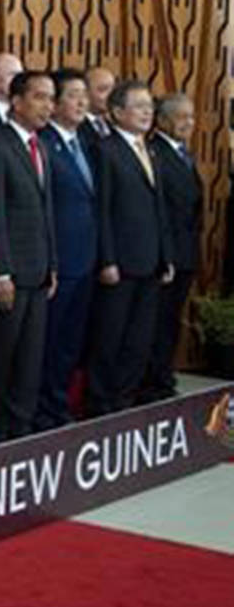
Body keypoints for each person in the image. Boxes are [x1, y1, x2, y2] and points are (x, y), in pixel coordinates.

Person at [0, 70, 58, 445]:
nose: (48, 106)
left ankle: (20, 433)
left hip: (39, 271)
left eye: (51, 98)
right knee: (1, 360)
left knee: (30, 361)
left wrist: (52, 264)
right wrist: (2, 271)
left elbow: (46, 212)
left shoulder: (40, 146)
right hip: (10, 274)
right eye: (40, 97)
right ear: (17, 101)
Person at [88, 79, 174, 415]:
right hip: (119, 263)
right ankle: (101, 405)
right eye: (139, 106)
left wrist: (166, 256)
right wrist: (107, 259)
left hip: (151, 261)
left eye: (150, 106)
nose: (147, 113)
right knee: (110, 338)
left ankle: (124, 402)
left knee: (138, 340)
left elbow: (159, 208)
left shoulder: (150, 148)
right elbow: (103, 209)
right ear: (117, 112)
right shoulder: (105, 149)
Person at [34, 69, 99, 429]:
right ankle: (44, 412)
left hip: (86, 259)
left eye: (84, 95)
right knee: (49, 342)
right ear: (55, 103)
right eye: (73, 95)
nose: (82, 102)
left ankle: (58, 407)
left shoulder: (86, 143)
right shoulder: (43, 143)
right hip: (58, 261)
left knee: (70, 345)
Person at [145, 94, 203, 401]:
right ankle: (154, 381)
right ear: (163, 120)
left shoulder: (185, 154)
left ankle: (163, 375)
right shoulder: (154, 152)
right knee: (158, 322)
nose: (188, 123)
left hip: (186, 252)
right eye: (181, 117)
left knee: (171, 320)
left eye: (191, 117)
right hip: (166, 254)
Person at [79, 66, 116, 148]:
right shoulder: (77, 125)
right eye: (102, 90)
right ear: (85, 92)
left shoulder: (115, 124)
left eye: (113, 89)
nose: (111, 95)